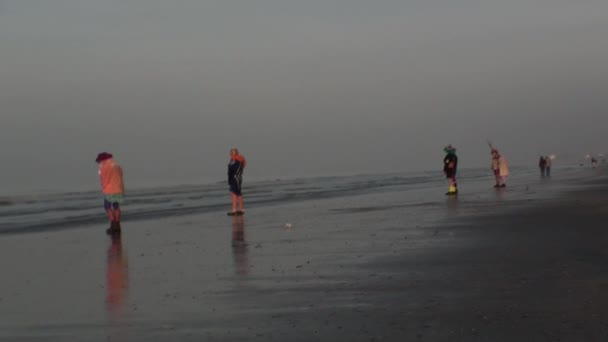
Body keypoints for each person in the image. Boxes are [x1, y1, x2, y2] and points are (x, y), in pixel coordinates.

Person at [96, 152, 125, 235]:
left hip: (109, 189)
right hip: (118, 188)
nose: (98, 163)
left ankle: (113, 225)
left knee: (107, 207)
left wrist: (104, 188)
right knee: (116, 206)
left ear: (102, 160)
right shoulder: (117, 165)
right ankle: (118, 226)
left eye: (99, 161)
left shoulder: (104, 167)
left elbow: (103, 179)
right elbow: (121, 176)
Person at [227, 148, 246, 216]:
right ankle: (241, 209)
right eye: (231, 152)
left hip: (234, 178)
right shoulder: (241, 160)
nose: (231, 154)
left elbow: (230, 171)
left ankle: (234, 210)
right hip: (238, 178)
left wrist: (229, 180)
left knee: (234, 194)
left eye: (232, 152)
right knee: (238, 193)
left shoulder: (234, 160)